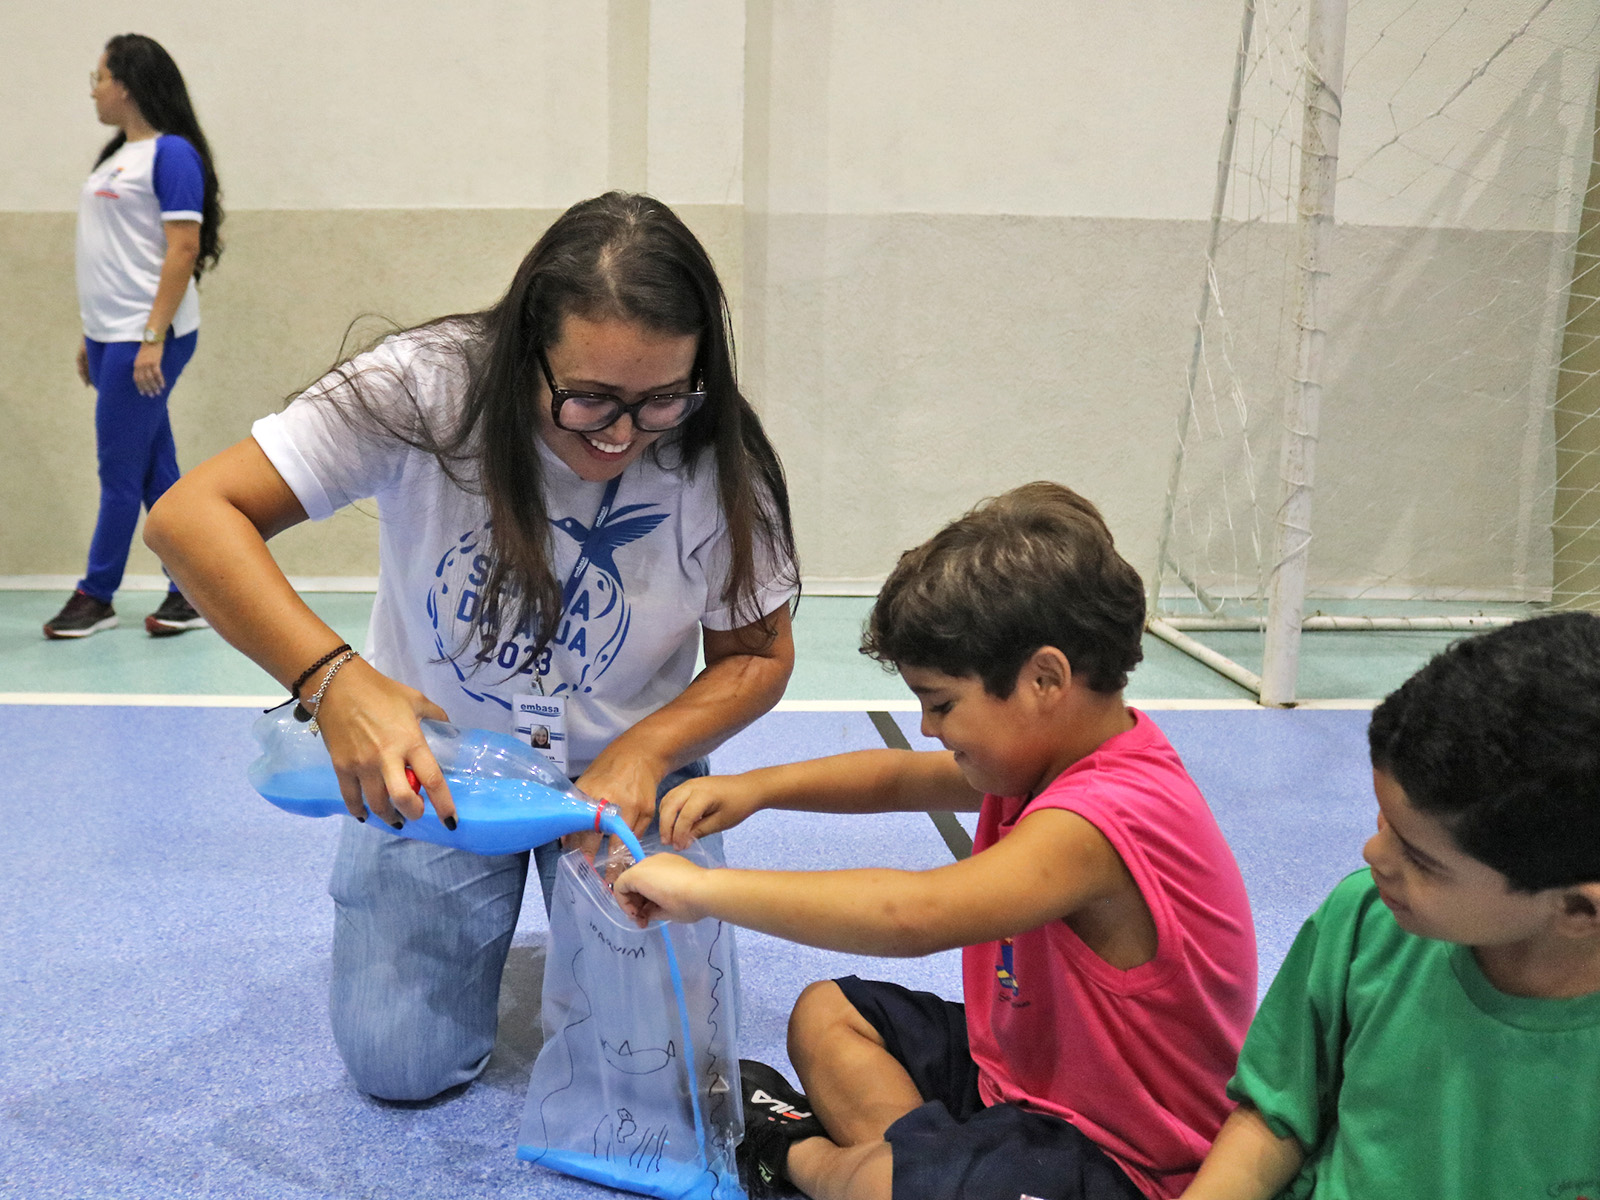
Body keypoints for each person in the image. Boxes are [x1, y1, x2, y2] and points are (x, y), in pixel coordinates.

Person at [144, 192, 801, 1101]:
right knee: (398, 1066)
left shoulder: (719, 452)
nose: (620, 435)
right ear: (525, 350)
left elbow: (757, 657)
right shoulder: (422, 388)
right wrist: (334, 681)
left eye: (659, 400)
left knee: (651, 1079)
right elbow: (189, 518)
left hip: (621, 778)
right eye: (588, 399)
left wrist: (649, 749)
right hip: (443, 766)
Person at [614, 482, 1258, 1200]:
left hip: (1122, 1162)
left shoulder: (1104, 817)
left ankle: (795, 1153)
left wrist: (704, 891)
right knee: (829, 1013)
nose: (928, 728)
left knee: (877, 1182)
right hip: (1016, 1083)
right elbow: (896, 778)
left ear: (1045, 679)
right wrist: (758, 789)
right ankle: (924, 1169)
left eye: (943, 704)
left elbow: (911, 915)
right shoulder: (1046, 756)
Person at [1180, 612, 1600, 1199]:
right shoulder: (1365, 918)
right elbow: (1275, 1116)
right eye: (1386, 821)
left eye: (1422, 860)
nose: (1374, 854)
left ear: (1579, 911)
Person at [46, 33, 223, 640]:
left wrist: (153, 336)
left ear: (125, 85)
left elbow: (183, 248)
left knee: (117, 473)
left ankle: (96, 595)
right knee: (153, 470)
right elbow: (111, 256)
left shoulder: (172, 155)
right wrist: (90, 334)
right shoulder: (117, 155)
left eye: (98, 78)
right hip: (111, 335)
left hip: (148, 337)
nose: (93, 91)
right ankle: (192, 590)